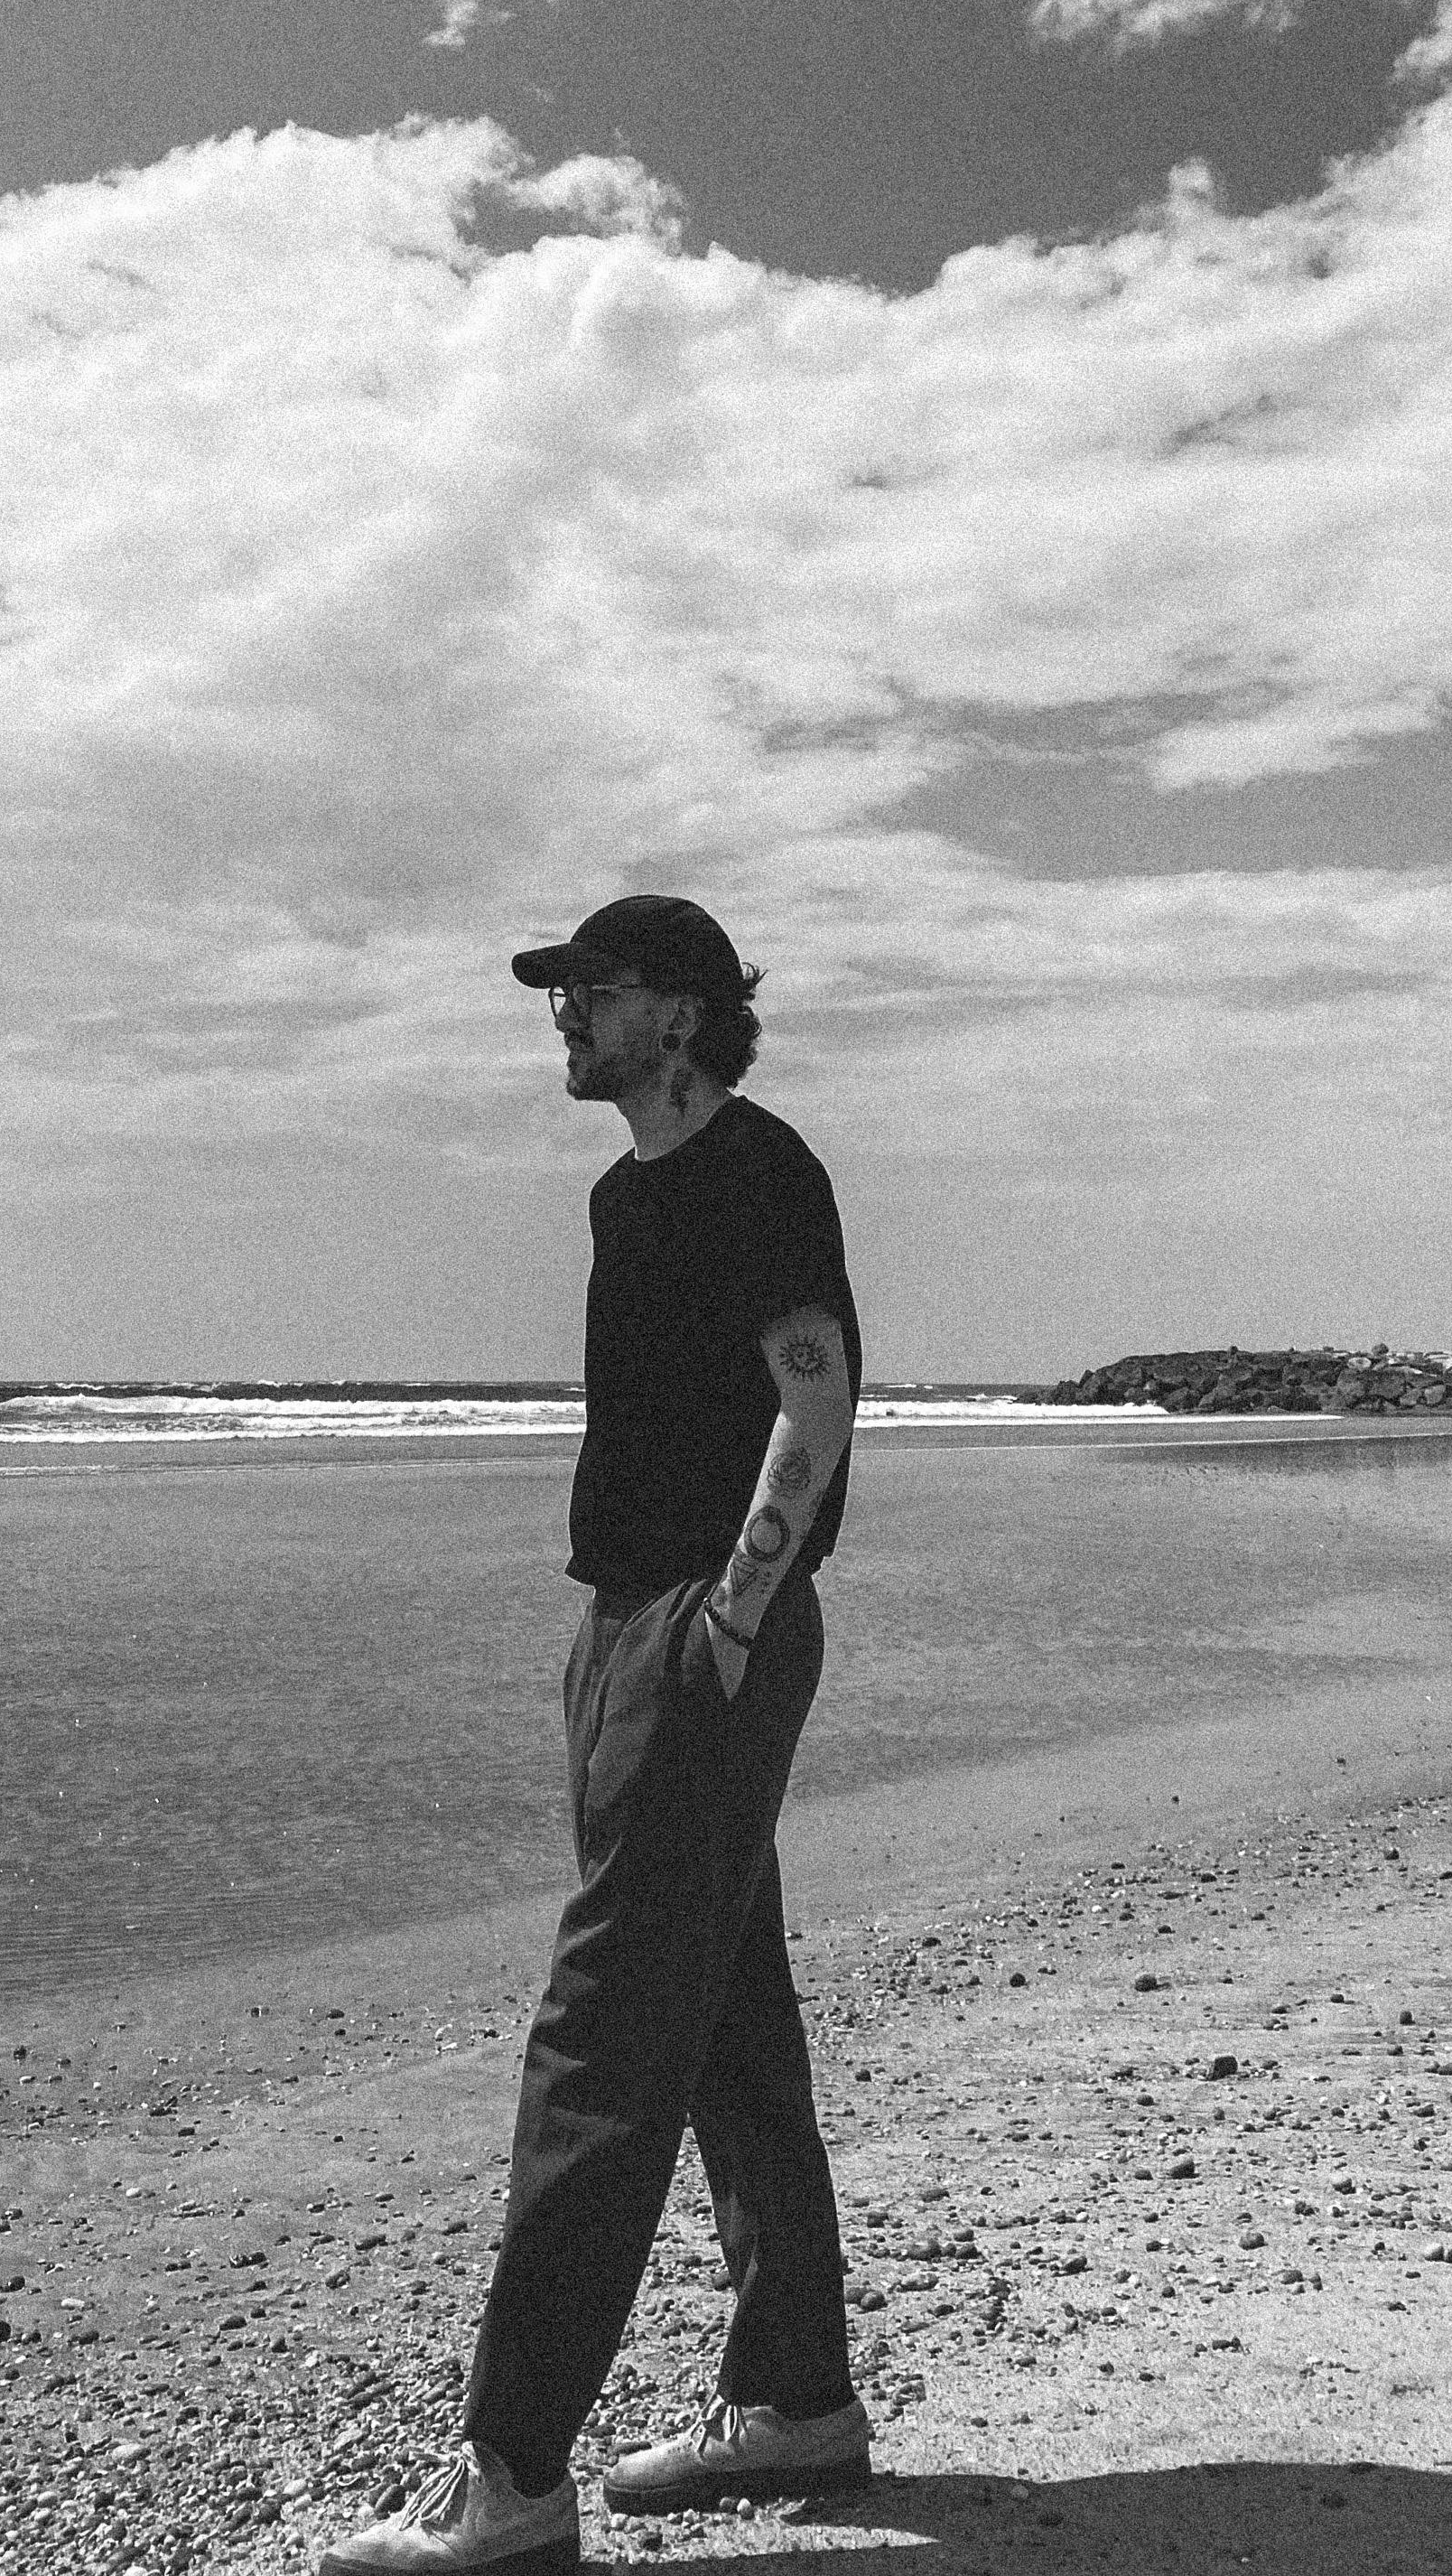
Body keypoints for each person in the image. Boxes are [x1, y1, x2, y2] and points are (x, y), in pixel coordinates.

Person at [321, 896, 870, 2576]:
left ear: (684, 1015)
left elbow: (818, 1391)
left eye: (594, 989)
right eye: (561, 991)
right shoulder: (622, 1193)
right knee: (721, 2011)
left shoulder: (760, 1168)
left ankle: (512, 2471)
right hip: (630, 1625)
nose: (564, 1014)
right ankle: (794, 2398)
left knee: (603, 2028)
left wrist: (734, 1612)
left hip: (705, 1631)